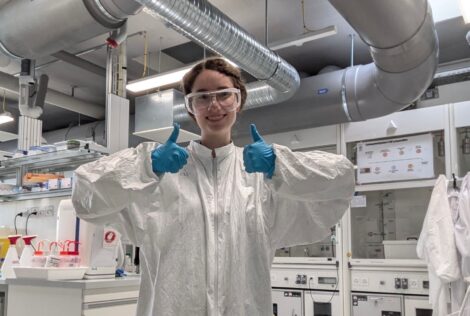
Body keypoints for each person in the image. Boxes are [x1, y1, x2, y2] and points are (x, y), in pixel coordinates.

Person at [72, 57, 355, 316]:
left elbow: (341, 180)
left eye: (224, 95)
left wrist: (279, 165)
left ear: (239, 101)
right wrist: (146, 166)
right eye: (202, 98)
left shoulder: (260, 179)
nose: (214, 105)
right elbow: (85, 194)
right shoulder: (160, 177)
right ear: (190, 108)